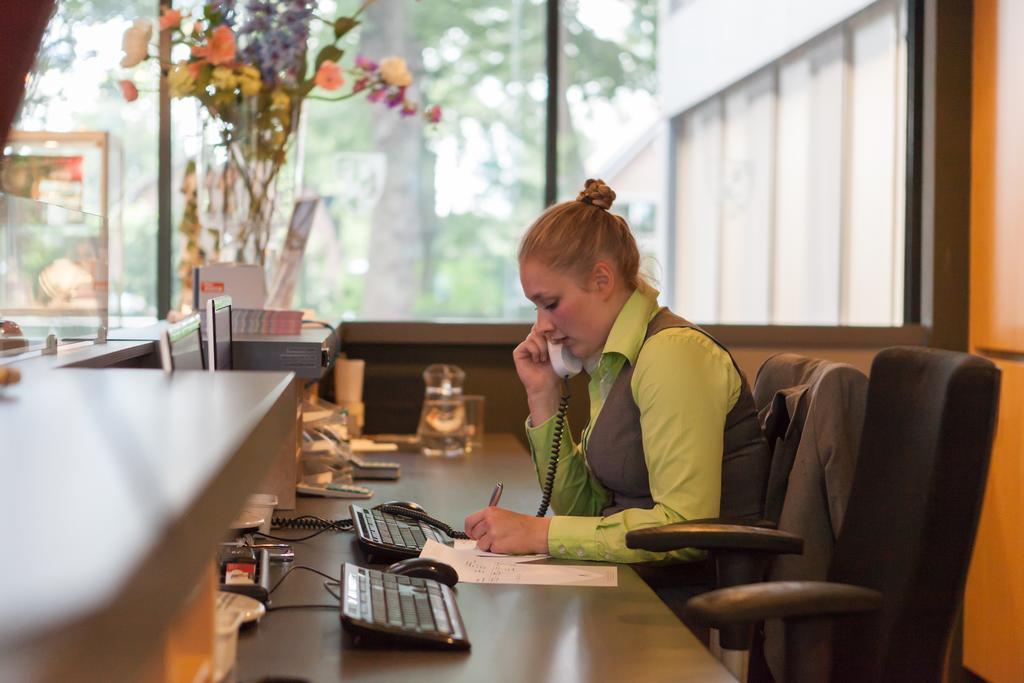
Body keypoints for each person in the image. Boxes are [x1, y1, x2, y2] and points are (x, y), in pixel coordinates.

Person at [464, 178, 768, 565]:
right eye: (535, 308)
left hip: (680, 598)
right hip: (635, 583)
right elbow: (585, 514)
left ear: (602, 280)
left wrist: (536, 532)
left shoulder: (672, 355)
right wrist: (543, 396)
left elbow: (683, 529)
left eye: (550, 303)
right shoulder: (614, 362)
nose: (540, 326)